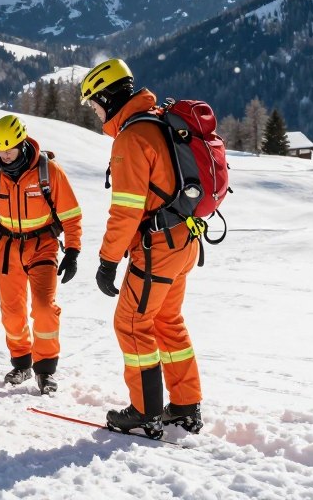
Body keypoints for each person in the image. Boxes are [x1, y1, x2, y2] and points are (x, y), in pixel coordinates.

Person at [80, 59, 203, 436]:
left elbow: (126, 210)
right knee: (167, 321)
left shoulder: (132, 137)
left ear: (107, 97)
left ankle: (145, 411)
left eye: (94, 103)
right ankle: (184, 406)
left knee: (131, 323)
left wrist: (107, 260)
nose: (96, 111)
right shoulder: (159, 120)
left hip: (158, 248)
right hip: (185, 238)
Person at [0, 115, 83, 394]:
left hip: (42, 244)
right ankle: (21, 363)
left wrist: (73, 250)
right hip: (7, 248)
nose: (4, 155)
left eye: (8, 149)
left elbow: (71, 214)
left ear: (22, 143)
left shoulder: (49, 172)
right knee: (12, 313)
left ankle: (45, 370)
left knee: (44, 308)